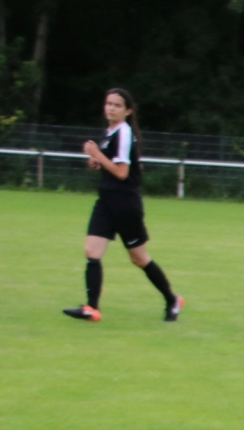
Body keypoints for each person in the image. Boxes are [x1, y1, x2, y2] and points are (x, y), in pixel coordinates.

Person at [61, 88, 183, 323]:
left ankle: (172, 300)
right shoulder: (109, 132)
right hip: (106, 202)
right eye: (108, 104)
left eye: (117, 105)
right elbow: (110, 164)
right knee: (91, 251)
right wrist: (96, 161)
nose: (111, 108)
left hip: (125, 205)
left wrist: (97, 154)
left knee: (139, 258)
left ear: (127, 111)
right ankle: (91, 308)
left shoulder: (124, 132)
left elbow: (121, 172)